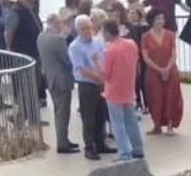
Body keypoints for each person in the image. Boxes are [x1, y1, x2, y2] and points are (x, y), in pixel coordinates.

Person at [69, 15, 117, 160]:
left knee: (100, 115)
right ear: (78, 30)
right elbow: (80, 68)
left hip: (101, 83)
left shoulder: (97, 42)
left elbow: (104, 58)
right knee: (88, 118)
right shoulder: (75, 46)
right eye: (83, 28)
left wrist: (105, 76)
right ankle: (89, 147)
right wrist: (97, 77)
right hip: (87, 84)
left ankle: (100, 143)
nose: (87, 31)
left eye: (89, 27)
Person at [99, 20, 145, 161]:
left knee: (117, 123)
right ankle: (138, 148)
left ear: (107, 32)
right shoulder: (131, 44)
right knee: (131, 120)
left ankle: (125, 153)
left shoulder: (109, 50)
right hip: (128, 88)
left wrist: (96, 63)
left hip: (114, 91)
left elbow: (105, 74)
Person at [38, 14, 79, 154]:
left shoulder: (41, 37)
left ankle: (63, 139)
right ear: (56, 24)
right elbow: (67, 61)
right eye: (60, 23)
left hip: (49, 78)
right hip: (61, 80)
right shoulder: (58, 41)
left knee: (58, 110)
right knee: (63, 112)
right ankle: (62, 143)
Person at [6, 0, 47, 114]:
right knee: (26, 87)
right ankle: (22, 116)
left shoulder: (31, 9)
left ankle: (32, 115)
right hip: (23, 54)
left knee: (35, 85)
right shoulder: (15, 12)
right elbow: (8, 33)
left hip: (35, 52)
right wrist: (11, 49)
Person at [141, 9, 184, 134]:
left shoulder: (170, 35)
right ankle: (157, 125)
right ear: (152, 21)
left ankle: (170, 125)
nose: (161, 21)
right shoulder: (145, 37)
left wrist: (167, 68)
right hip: (153, 73)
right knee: (155, 99)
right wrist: (159, 69)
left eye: (162, 19)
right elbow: (145, 57)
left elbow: (173, 54)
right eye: (158, 19)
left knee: (171, 97)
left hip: (170, 71)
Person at [126, 7, 150, 112]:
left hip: (141, 55)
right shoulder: (127, 28)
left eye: (133, 13)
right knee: (135, 81)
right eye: (130, 13)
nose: (131, 15)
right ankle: (138, 102)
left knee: (143, 80)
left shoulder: (144, 27)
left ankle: (147, 104)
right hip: (131, 56)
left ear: (138, 15)